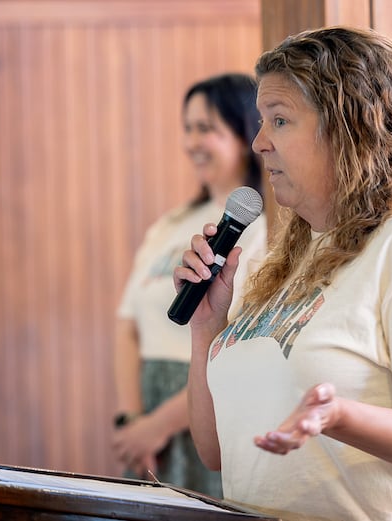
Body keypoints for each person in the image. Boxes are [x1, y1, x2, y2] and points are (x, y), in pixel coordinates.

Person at [175, 26, 392, 521]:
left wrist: (340, 416)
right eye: (261, 121)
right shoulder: (286, 261)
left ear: (349, 130)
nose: (259, 143)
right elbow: (217, 452)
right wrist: (206, 331)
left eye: (280, 121)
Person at [111, 72, 267, 499]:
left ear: (244, 134)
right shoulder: (170, 224)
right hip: (145, 421)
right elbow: (127, 325)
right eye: (188, 129)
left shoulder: (265, 230)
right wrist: (131, 421)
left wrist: (158, 426)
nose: (192, 142)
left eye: (206, 129)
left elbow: (239, 342)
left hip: (204, 408)